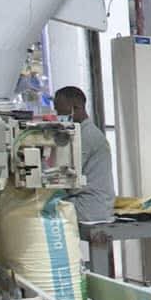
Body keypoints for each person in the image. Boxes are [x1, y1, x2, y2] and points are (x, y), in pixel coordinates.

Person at [53, 86, 114, 223]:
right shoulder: (79, 134)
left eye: (61, 111)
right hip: (87, 202)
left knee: (38, 213)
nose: (58, 116)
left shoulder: (87, 136)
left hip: (89, 206)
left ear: (77, 107)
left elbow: (66, 174)